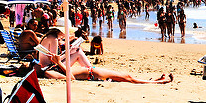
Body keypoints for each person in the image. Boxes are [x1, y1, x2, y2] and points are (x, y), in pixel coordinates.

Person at [38, 26, 173, 83]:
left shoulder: (47, 71)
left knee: (127, 77)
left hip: (92, 72)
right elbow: (71, 78)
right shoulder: (48, 73)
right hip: (92, 73)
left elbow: (69, 74)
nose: (36, 65)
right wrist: (60, 62)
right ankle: (159, 82)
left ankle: (155, 81)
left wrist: (60, 62)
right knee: (127, 78)